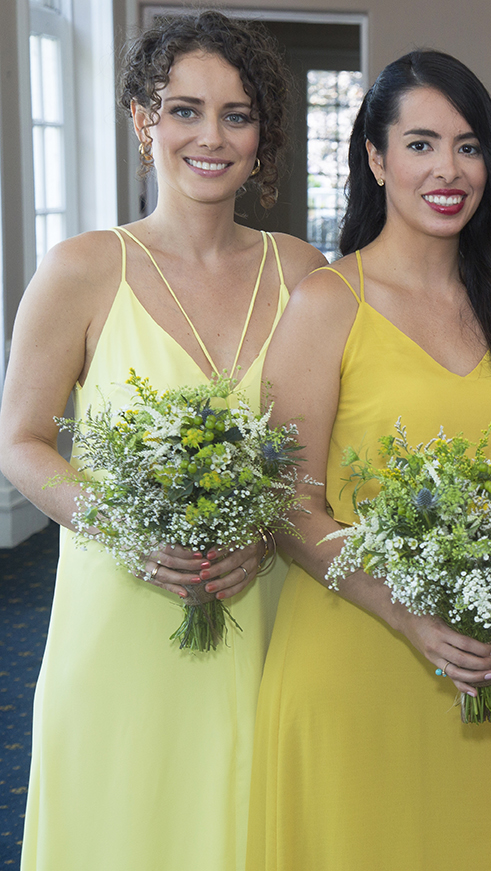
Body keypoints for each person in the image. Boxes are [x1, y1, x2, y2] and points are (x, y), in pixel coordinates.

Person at [0, 11, 324, 870]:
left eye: (237, 114)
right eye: (184, 110)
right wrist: (125, 525)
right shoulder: (81, 268)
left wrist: (270, 531)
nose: (210, 137)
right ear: (142, 121)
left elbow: (323, 454)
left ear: (263, 138)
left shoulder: (302, 273)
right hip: (119, 616)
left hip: (259, 611)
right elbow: (22, 441)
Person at [244, 50, 491, 870]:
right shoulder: (324, 303)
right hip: (356, 656)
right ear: (376, 159)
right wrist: (407, 613)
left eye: (468, 145)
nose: (447, 169)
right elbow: (286, 507)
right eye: (419, 144)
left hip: (479, 667)